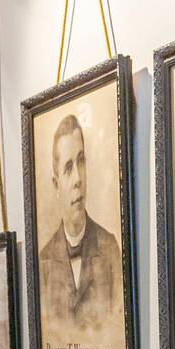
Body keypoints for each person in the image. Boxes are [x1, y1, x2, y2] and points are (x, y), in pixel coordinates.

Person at [39, 114, 123, 333]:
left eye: (81, 161)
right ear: (56, 184)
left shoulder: (110, 248)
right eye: (68, 167)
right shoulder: (43, 263)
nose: (78, 178)